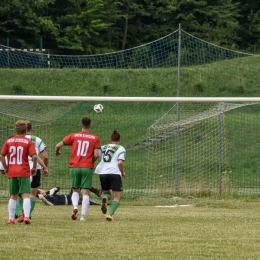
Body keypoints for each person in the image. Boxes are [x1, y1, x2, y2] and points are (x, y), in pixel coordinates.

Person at [55, 117, 101, 221]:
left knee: (75, 190)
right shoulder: (95, 138)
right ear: (90, 126)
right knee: (86, 192)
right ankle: (83, 217)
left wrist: (57, 151)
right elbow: (97, 155)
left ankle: (75, 207)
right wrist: (90, 162)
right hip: (87, 167)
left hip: (74, 167)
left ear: (81, 125)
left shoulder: (74, 136)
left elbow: (58, 145)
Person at [0, 120, 37, 224]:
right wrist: (34, 168)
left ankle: (11, 219)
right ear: (26, 130)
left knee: (13, 196)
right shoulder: (28, 142)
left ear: (15, 130)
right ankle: (26, 217)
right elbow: (34, 157)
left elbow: (1, 156)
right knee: (25, 195)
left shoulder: (8, 141)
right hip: (24, 171)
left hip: (12, 172)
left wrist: (6, 167)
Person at [15, 120, 49, 222]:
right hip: (35, 169)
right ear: (31, 129)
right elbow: (45, 157)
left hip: (19, 168)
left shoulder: (16, 140)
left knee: (18, 193)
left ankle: (18, 213)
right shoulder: (37, 140)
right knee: (32, 194)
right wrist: (44, 167)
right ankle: (27, 215)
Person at [95, 130, 126, 222]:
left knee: (107, 193)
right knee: (116, 197)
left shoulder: (103, 147)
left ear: (110, 139)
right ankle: (110, 214)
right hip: (114, 173)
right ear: (119, 139)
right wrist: (123, 172)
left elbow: (95, 155)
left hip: (103, 173)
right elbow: (120, 162)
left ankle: (104, 199)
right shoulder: (121, 148)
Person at [37, 186, 103, 206]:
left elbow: (58, 188)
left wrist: (53, 189)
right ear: (40, 193)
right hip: (69, 200)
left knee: (85, 201)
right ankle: (97, 192)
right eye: (40, 190)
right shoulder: (47, 198)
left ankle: (100, 204)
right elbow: (51, 204)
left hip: (69, 197)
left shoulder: (49, 193)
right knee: (79, 184)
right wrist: (44, 199)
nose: (42, 189)